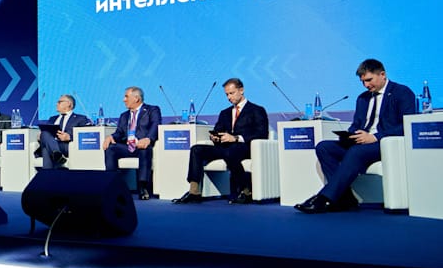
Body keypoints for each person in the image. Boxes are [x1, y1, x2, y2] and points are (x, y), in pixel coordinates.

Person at [295, 59, 416, 214]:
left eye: (369, 80)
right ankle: (345, 199)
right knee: (324, 147)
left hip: (384, 143)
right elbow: (356, 124)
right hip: (361, 142)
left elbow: (407, 124)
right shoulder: (362, 98)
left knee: (356, 152)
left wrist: (375, 137)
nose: (366, 85)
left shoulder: (402, 92)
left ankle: (324, 198)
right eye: (363, 82)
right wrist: (350, 135)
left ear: (382, 75)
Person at [173, 78, 269, 205]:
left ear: (241, 90)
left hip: (245, 147)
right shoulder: (225, 113)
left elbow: (262, 133)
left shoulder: (257, 110)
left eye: (231, 93)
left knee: (231, 151)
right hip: (225, 148)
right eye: (227, 94)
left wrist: (236, 138)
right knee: (196, 149)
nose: (229, 97)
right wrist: (215, 137)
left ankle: (246, 191)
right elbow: (218, 130)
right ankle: (194, 191)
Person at [103, 87, 161, 199]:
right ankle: (112, 185)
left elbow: (156, 125)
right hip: (127, 146)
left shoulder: (152, 110)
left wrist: (148, 139)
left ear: (136, 98)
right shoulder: (124, 115)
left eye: (126, 97)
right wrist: (111, 137)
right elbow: (119, 133)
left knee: (144, 150)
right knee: (110, 149)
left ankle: (143, 187)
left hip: (142, 145)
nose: (123, 100)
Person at [36, 94, 92, 168]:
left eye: (59, 102)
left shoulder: (80, 118)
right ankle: (57, 154)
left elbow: (85, 135)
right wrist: (40, 136)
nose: (56, 104)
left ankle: (49, 171)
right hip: (51, 144)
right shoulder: (52, 118)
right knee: (45, 134)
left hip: (65, 146)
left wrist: (69, 137)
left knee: (46, 149)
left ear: (69, 104)